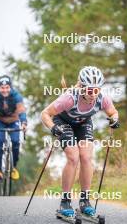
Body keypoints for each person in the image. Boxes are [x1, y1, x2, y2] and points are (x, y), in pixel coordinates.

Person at [41, 66, 120, 217]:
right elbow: (45, 113)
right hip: (63, 122)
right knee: (73, 157)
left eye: (96, 90)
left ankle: (85, 201)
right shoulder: (69, 97)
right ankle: (65, 201)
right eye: (90, 90)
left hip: (83, 123)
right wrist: (52, 128)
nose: (93, 94)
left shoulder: (102, 98)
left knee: (86, 157)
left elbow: (113, 112)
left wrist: (114, 120)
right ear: (82, 87)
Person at [0, 75, 27, 180]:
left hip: (14, 121)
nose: (4, 90)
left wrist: (24, 123)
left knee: (16, 142)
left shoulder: (16, 96)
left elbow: (21, 110)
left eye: (7, 87)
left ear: (10, 87)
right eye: (2, 88)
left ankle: (14, 168)